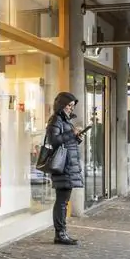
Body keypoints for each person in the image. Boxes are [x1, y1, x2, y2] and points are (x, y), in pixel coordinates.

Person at [41, 91, 86, 245]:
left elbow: (67, 142)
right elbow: (54, 141)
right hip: (62, 166)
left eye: (72, 106)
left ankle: (61, 232)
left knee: (63, 200)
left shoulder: (64, 121)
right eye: (69, 105)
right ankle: (60, 233)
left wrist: (76, 138)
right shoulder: (56, 120)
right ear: (61, 104)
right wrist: (71, 133)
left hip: (68, 164)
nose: (71, 109)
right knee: (62, 201)